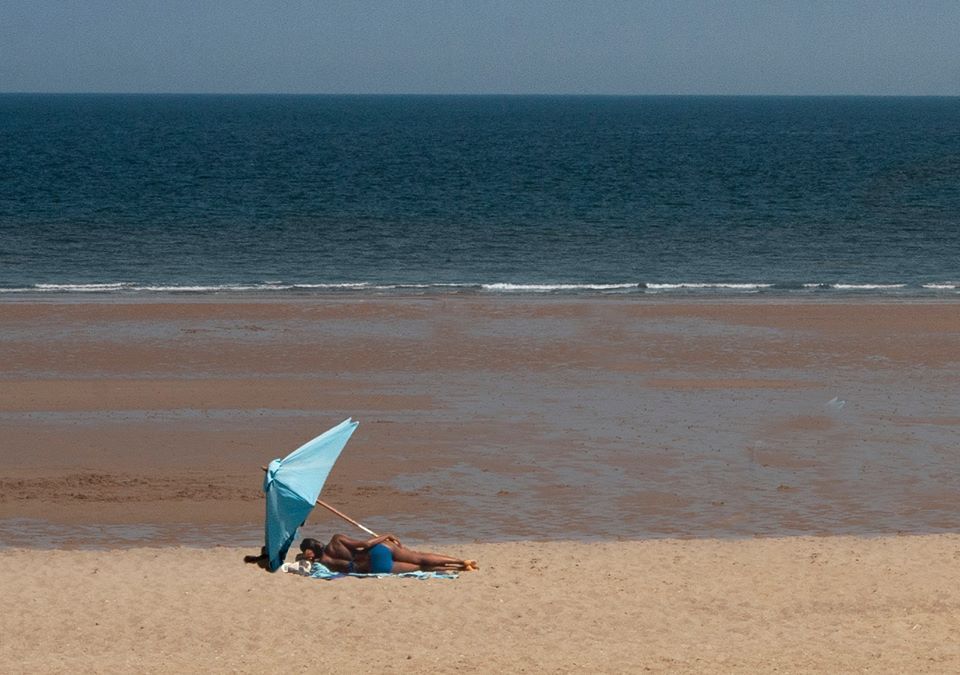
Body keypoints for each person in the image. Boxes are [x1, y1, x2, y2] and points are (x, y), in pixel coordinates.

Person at [298, 533, 478, 574]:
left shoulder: (322, 563)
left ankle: (460, 568)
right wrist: (387, 535)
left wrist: (304, 557)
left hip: (371, 567)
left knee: (420, 567)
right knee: (419, 557)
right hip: (376, 550)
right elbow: (365, 544)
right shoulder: (336, 540)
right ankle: (462, 561)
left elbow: (303, 562)